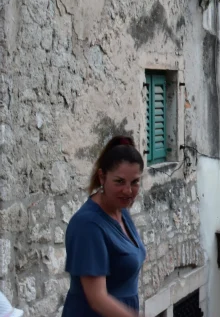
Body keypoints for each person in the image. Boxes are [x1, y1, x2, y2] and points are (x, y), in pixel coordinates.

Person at [62, 136, 147, 317]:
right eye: (119, 182)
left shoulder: (121, 211)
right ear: (102, 177)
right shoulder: (88, 225)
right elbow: (97, 299)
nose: (128, 191)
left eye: (135, 182)